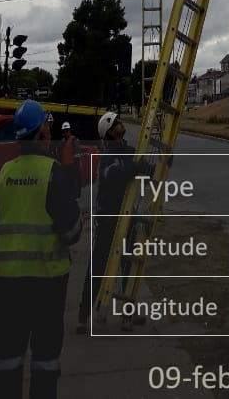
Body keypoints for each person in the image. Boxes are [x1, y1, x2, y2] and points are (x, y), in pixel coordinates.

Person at [0, 99, 81, 399]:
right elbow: (73, 232)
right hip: (48, 286)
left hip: (8, 286)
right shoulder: (53, 173)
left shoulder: (3, 174)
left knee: (8, 360)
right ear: (41, 133)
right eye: (47, 125)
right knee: (45, 361)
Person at [76, 111, 148, 333]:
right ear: (109, 131)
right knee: (98, 266)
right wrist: (133, 168)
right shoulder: (107, 153)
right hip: (108, 218)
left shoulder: (127, 150)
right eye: (117, 123)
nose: (121, 124)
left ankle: (129, 314)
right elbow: (111, 174)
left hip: (127, 216)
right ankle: (83, 316)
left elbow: (141, 169)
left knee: (128, 266)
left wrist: (157, 166)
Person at [58, 121, 80, 200]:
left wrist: (76, 165)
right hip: (64, 167)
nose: (64, 133)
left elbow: (77, 154)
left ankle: (73, 197)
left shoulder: (74, 140)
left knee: (72, 183)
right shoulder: (62, 141)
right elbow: (60, 153)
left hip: (72, 166)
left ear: (69, 131)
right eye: (63, 131)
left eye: (66, 131)